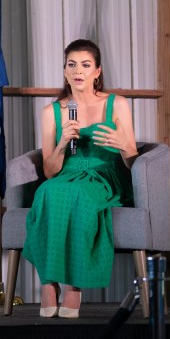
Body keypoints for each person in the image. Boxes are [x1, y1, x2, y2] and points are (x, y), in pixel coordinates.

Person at [22, 39, 138, 319]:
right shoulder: (52, 112)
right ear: (64, 71)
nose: (78, 71)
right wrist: (62, 143)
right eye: (72, 64)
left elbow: (133, 161)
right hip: (68, 173)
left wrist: (124, 145)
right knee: (47, 191)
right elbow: (50, 171)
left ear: (97, 71)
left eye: (86, 65)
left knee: (79, 196)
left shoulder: (117, 104)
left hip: (105, 175)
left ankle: (74, 287)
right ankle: (48, 284)